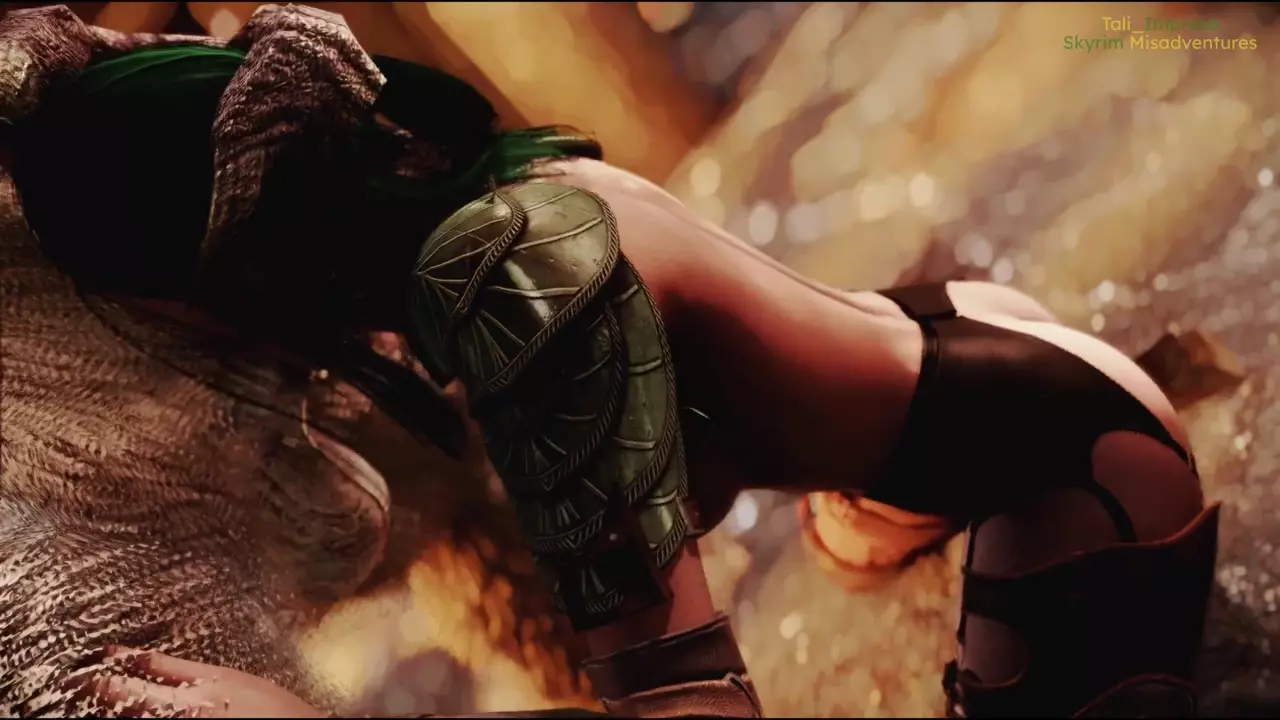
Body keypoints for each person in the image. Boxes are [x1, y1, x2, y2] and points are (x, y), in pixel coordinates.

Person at [5, 5, 1219, 718]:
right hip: (955, 354)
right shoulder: (474, 200)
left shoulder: (504, 288)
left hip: (1074, 466)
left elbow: (694, 704)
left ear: (232, 265)